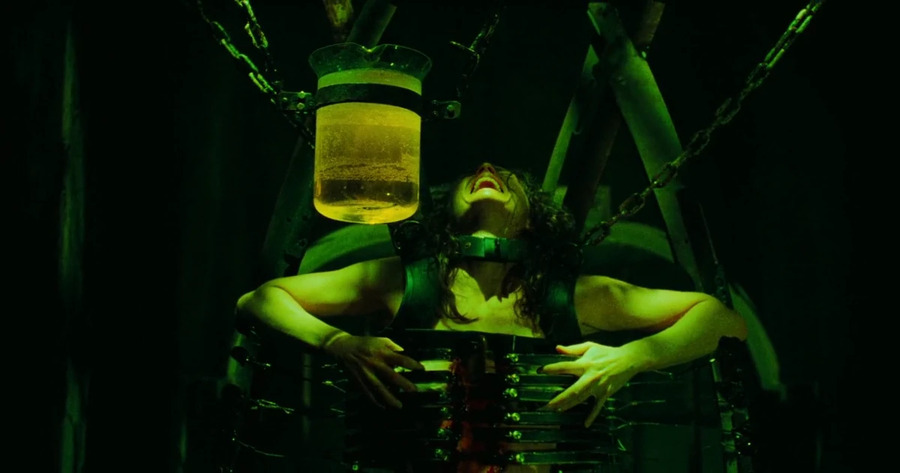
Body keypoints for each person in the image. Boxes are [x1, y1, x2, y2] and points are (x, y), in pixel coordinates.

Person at [235, 162, 748, 469]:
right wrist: (336, 342)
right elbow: (260, 299)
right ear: (447, 213)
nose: (486, 169)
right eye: (473, 175)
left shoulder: (572, 295)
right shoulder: (402, 280)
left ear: (531, 216)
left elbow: (722, 319)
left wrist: (633, 357)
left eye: (507, 178)